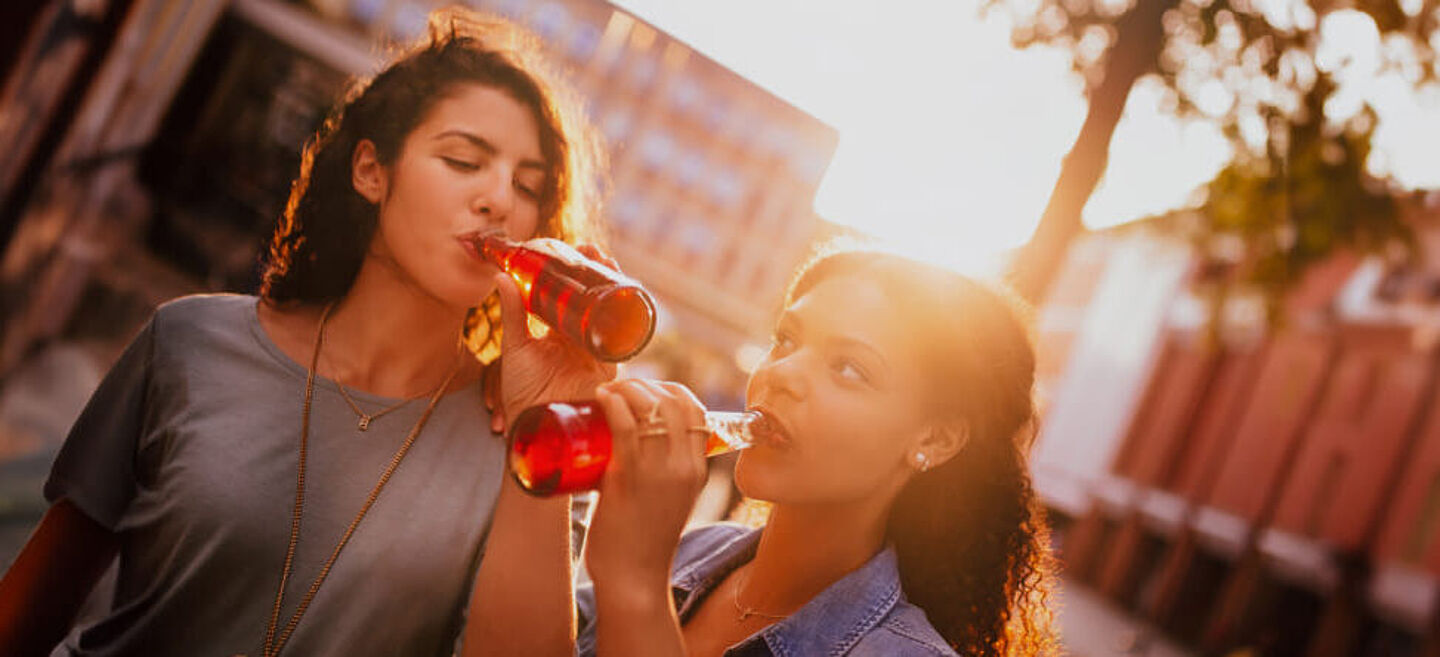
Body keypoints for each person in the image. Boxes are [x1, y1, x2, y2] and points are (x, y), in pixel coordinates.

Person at [0, 8, 610, 656]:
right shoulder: (187, 343)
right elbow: (28, 613)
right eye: (463, 159)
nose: (498, 200)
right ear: (372, 171)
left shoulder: (532, 450)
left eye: (528, 185)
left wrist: (545, 422)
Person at [572, 249, 1060, 656]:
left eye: (849, 368)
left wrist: (637, 590)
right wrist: (539, 407)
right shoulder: (696, 552)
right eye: (785, 340)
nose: (781, 374)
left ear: (935, 439)